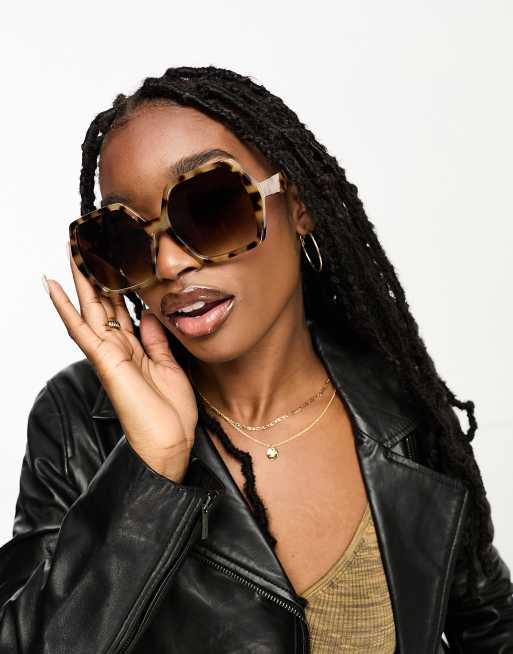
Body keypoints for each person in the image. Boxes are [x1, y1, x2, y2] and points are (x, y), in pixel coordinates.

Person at [1, 65, 511, 653]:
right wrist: (150, 469)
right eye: (124, 238)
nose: (168, 264)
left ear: (297, 204)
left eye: (208, 208)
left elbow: (492, 628)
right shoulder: (79, 422)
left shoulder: (397, 403)